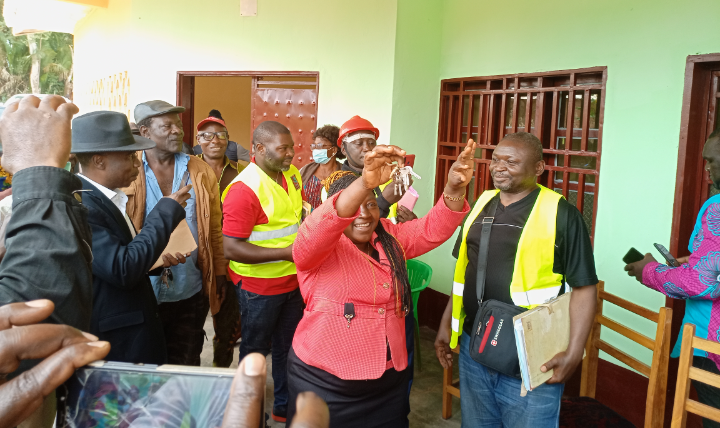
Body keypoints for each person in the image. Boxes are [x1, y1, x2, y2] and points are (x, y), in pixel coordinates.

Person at [286, 140, 474, 427]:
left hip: (387, 381)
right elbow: (323, 224)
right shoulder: (316, 245)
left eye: (371, 204)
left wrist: (454, 188)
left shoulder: (388, 236)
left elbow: (432, 230)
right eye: (355, 206)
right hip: (323, 382)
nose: (364, 214)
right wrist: (365, 183)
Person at [435, 132, 598, 428]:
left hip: (530, 355)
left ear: (538, 168)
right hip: (475, 345)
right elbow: (465, 272)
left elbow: (584, 287)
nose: (499, 167)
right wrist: (447, 324)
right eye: (496, 160)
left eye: (511, 162)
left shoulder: (562, 214)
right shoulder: (482, 203)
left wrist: (574, 352)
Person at [71, 110, 194, 365]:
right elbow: (122, 268)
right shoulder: (83, 206)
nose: (137, 164)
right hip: (118, 340)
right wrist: (165, 211)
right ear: (99, 161)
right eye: (129, 157)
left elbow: (116, 260)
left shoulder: (106, 197)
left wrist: (152, 262)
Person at [625, 127, 720, 427]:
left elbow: (702, 283)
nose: (706, 169)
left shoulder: (717, 209)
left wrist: (648, 270)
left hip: (712, 345)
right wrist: (689, 262)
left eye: (711, 160)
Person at [125, 100, 228, 367]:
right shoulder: (128, 169)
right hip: (141, 290)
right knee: (145, 364)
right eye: (167, 126)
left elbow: (214, 228)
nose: (177, 131)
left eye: (179, 125)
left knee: (186, 363)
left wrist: (218, 273)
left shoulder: (200, 171)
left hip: (190, 288)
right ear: (145, 132)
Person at [222, 120, 304, 423]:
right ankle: (250, 415)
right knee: (255, 353)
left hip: (293, 281)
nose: (291, 154)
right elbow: (231, 248)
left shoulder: (291, 174)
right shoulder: (243, 190)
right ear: (259, 148)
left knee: (288, 349)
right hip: (259, 289)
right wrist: (286, 253)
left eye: (291, 147)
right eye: (283, 148)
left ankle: (283, 407)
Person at [195, 113, 244, 367]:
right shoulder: (188, 169)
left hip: (233, 255)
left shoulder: (243, 171)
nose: (214, 140)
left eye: (220, 135)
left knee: (227, 324)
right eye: (207, 135)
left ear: (228, 139)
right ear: (198, 140)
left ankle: (220, 371)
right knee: (193, 323)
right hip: (198, 255)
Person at [299, 125, 343, 210]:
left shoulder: (344, 174)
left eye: (319, 146)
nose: (315, 150)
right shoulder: (305, 170)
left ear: (333, 150)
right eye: (314, 146)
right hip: (307, 218)